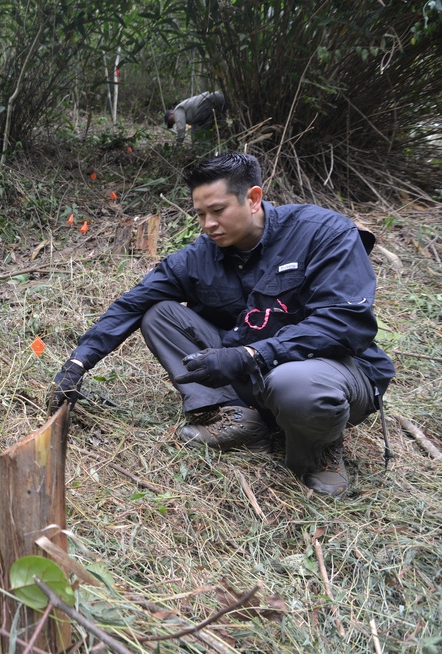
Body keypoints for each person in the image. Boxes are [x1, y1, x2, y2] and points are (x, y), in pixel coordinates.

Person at [49, 153, 394, 498]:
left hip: (327, 371)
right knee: (159, 313)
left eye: (217, 210)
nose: (208, 224)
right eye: (200, 214)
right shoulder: (201, 255)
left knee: (295, 383)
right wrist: (79, 362)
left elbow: (343, 322)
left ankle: (320, 450)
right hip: (251, 371)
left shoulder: (321, 232)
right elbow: (133, 303)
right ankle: (238, 418)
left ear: (253, 199)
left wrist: (249, 355)